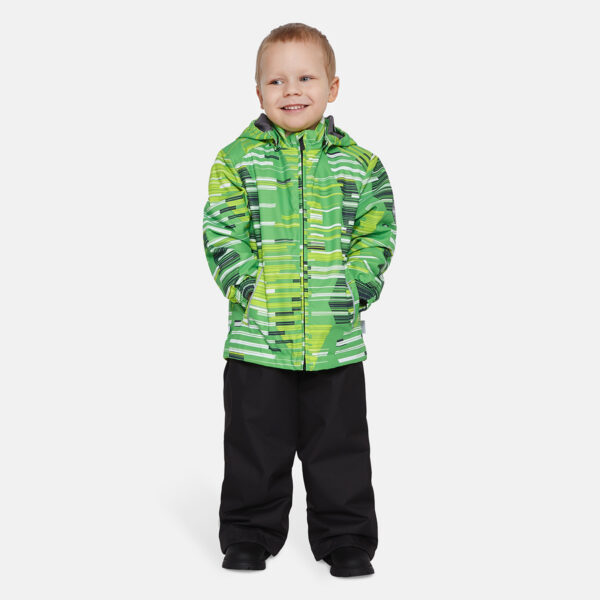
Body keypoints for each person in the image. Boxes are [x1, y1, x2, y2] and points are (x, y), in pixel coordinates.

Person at [203, 22, 396, 577]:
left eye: (306, 78)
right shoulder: (236, 160)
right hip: (258, 339)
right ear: (258, 91)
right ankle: (248, 534)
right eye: (276, 81)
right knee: (253, 445)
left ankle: (346, 539)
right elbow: (222, 232)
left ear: (332, 87)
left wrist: (353, 291)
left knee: (340, 447)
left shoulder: (359, 164)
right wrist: (251, 291)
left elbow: (377, 233)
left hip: (335, 341)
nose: (291, 90)